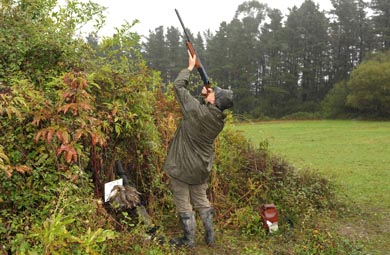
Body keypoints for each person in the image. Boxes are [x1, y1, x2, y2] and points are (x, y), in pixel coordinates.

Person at [163, 51, 233, 247]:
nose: (211, 91)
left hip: (182, 167)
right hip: (201, 168)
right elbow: (202, 114)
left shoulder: (197, 111)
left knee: (183, 201)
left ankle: (188, 240)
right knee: (201, 200)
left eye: (213, 93)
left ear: (214, 101)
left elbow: (178, 86)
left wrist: (190, 67)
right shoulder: (218, 120)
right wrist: (205, 97)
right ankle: (210, 238)